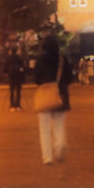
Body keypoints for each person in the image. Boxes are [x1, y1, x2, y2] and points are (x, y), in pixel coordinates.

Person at [35, 34, 73, 164]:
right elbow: (69, 78)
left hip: (45, 94)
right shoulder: (62, 59)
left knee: (44, 129)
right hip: (60, 94)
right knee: (59, 125)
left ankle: (47, 157)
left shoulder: (40, 60)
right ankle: (59, 145)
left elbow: (36, 79)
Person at [4, 46, 26, 111]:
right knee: (18, 91)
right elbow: (23, 67)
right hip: (18, 75)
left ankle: (12, 105)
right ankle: (18, 105)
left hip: (11, 76)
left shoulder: (8, 58)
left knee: (12, 91)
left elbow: (5, 67)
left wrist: (6, 73)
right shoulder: (19, 58)